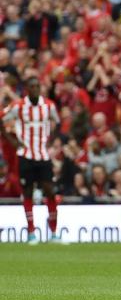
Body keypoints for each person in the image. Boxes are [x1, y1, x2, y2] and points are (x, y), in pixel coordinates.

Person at [1, 76, 62, 244]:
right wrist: (11, 140)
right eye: (32, 86)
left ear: (40, 88)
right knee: (27, 192)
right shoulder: (18, 106)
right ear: (26, 89)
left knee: (50, 191)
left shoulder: (49, 105)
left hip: (43, 155)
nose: (35, 89)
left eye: (37, 86)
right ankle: (31, 232)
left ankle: (54, 232)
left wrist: (51, 139)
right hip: (25, 154)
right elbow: (1, 118)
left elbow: (57, 122)